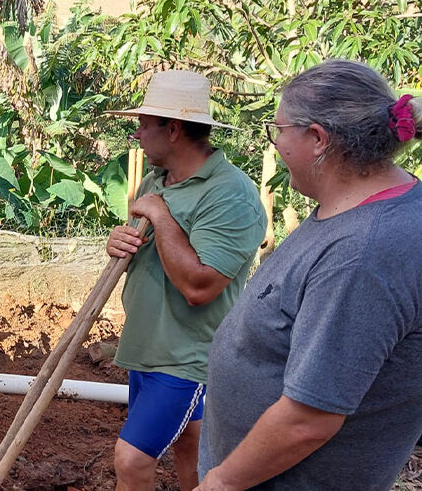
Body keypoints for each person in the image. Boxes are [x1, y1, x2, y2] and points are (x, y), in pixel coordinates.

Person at [197, 60, 422, 490]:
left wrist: (221, 482)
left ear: (318, 138)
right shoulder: (354, 211)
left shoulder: (363, 254)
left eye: (279, 129)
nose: (277, 142)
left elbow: (308, 420)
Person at [104, 70, 266, 491]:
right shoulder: (156, 181)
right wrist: (119, 240)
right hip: (147, 347)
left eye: (144, 124)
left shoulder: (230, 194)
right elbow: (150, 252)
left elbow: (200, 286)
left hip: (186, 358)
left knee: (132, 460)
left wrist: (159, 215)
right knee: (191, 448)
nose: (137, 134)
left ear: (173, 129)